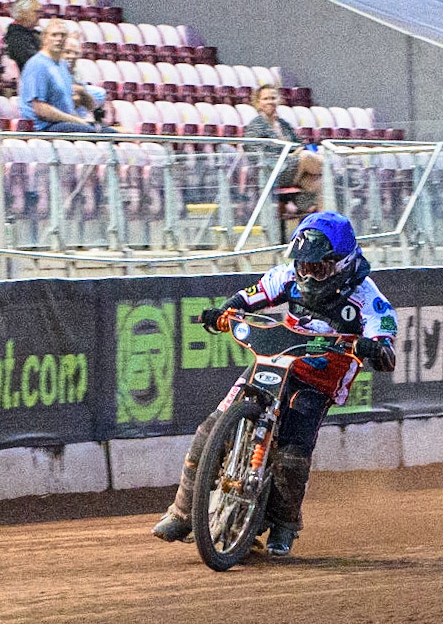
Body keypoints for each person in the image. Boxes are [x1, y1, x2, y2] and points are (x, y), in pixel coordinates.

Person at [152, 212, 398, 558]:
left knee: (293, 451)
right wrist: (224, 312)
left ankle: (284, 523)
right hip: (275, 360)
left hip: (319, 379)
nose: (308, 275)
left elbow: (384, 338)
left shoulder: (368, 298)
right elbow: (250, 296)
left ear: (342, 265)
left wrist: (377, 348)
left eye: (318, 268)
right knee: (209, 429)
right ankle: (181, 513)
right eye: (303, 266)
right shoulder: (287, 276)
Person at [19, 19, 113, 132]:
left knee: (110, 133)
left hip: (65, 123)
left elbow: (70, 104)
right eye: (54, 35)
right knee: (94, 133)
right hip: (44, 127)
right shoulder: (37, 64)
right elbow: (41, 109)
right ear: (44, 39)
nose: (59, 39)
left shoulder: (62, 65)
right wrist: (76, 120)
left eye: (63, 35)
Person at [243, 84, 322, 214]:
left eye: (273, 98)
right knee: (307, 157)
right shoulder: (255, 126)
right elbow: (254, 155)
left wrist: (302, 152)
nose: (270, 102)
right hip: (272, 171)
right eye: (266, 99)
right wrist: (290, 155)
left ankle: (303, 208)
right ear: (258, 103)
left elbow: (301, 143)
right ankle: (333, 170)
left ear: (278, 100)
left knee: (318, 181)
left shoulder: (283, 124)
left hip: (292, 167)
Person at [3, 0, 42, 76]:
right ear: (23, 14)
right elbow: (35, 63)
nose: (39, 16)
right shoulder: (16, 37)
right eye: (36, 12)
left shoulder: (35, 33)